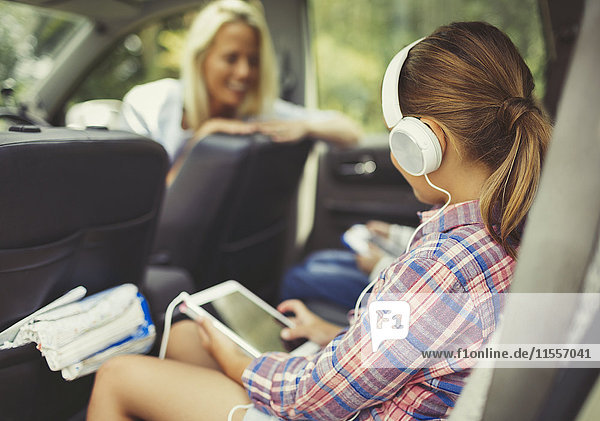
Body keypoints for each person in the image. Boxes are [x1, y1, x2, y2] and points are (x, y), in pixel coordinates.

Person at [87, 21, 551, 420]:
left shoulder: (440, 266)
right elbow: (428, 344)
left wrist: (243, 366)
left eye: (397, 137)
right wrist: (334, 336)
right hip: (370, 392)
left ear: (423, 143)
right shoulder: (518, 230)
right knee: (190, 338)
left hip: (325, 407)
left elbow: (313, 399)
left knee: (118, 375)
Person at [119, 0, 361, 184]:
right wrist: (202, 140)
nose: (245, 72)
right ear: (201, 58)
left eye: (253, 61)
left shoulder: (258, 112)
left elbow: (350, 131)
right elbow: (140, 203)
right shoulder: (152, 104)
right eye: (231, 58)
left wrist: (307, 127)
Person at [279, 221, 415, 310]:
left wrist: (378, 265)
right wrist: (392, 233)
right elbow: (420, 236)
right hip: (394, 262)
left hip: (393, 283)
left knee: (295, 278)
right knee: (314, 259)